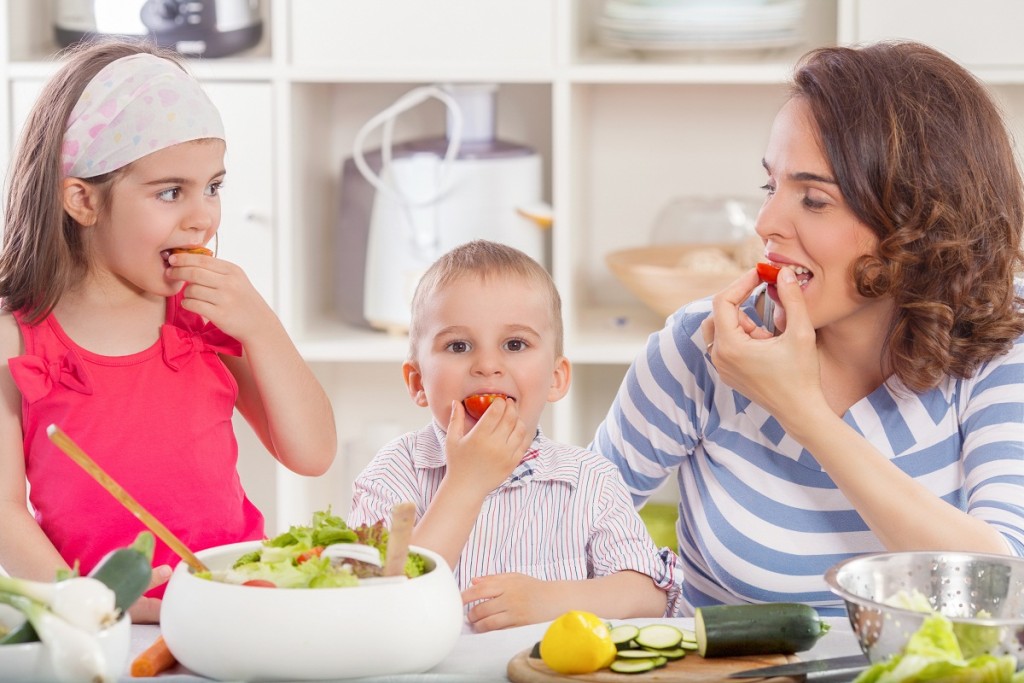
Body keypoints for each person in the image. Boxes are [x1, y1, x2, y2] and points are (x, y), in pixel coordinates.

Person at [592, 40, 1024, 616]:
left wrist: (802, 412)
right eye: (772, 187)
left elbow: (1001, 594)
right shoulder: (703, 348)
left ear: (918, 221)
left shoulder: (1001, 340)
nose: (767, 223)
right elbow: (567, 526)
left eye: (814, 199)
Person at [0, 39, 337, 623]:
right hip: (108, 627)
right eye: (170, 191)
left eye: (213, 187)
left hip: (233, 605)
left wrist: (261, 326)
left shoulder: (204, 314)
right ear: (82, 200)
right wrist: (90, 605)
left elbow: (310, 453)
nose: (202, 216)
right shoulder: (20, 340)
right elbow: (4, 512)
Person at [348, 240, 680, 631]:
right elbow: (377, 608)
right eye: (458, 345)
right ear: (418, 381)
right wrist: (465, 484)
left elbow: (646, 595)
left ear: (556, 379)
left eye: (515, 344)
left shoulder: (589, 479)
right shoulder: (392, 475)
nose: (488, 365)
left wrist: (551, 600)